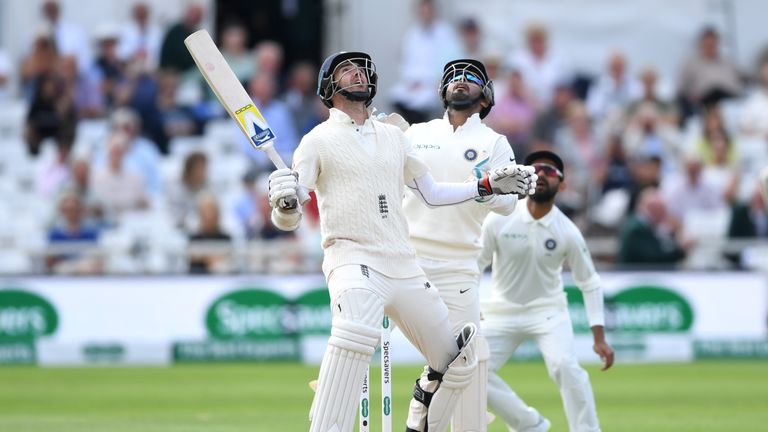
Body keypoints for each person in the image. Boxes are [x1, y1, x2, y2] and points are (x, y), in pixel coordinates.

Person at [266, 51, 536, 432]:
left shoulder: (395, 136)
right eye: (346, 70)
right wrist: (283, 202)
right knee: (355, 333)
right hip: (351, 257)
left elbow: (432, 193)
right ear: (328, 86)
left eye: (361, 68)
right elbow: (291, 215)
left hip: (404, 264)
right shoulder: (316, 141)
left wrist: (485, 184)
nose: (357, 73)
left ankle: (423, 406)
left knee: (458, 360)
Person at [401, 58, 518, 432]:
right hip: (405, 259)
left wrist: (487, 189)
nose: (460, 81)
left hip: (459, 264)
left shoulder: (494, 142)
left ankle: (431, 405)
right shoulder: (417, 132)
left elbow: (509, 203)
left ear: (485, 99)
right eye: (453, 77)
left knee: (469, 358)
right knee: (361, 336)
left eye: (471, 78)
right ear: (442, 91)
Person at [479, 150, 614, 432]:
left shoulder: (567, 231)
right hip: (502, 311)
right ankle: (528, 423)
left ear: (562, 185)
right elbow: (474, 266)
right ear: (525, 177)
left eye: (550, 172)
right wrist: (469, 307)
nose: (541, 174)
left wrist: (599, 336)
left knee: (566, 367)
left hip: (548, 311)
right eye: (536, 169)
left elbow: (589, 281)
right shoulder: (499, 218)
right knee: (474, 370)